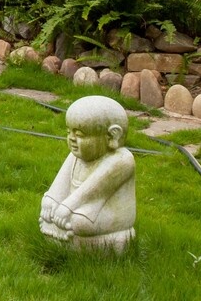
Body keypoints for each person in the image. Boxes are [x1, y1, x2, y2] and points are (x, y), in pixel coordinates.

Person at [40, 95, 136, 252]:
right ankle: (64, 233)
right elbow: (60, 184)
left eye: (80, 135)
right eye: (69, 132)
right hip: (79, 206)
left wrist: (66, 207)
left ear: (112, 136)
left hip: (104, 208)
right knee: (50, 212)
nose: (71, 139)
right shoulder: (76, 155)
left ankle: (73, 238)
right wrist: (51, 201)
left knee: (78, 222)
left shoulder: (122, 160)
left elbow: (90, 191)